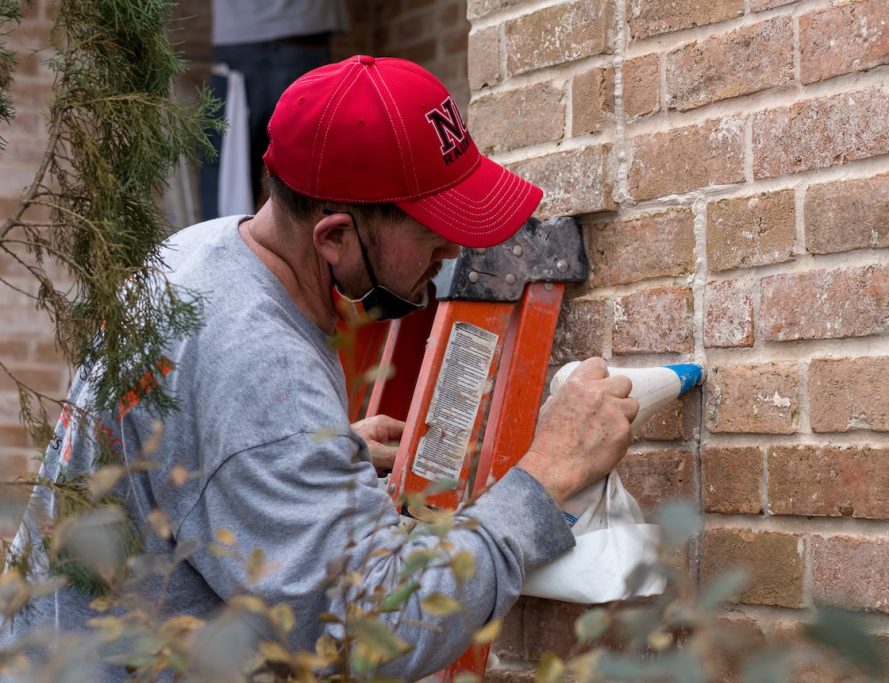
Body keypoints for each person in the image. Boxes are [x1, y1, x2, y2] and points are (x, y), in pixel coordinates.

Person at [1, 56, 638, 680]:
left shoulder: (198, 251)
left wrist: (304, 457)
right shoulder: (260, 364)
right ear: (333, 236)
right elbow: (379, 631)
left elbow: (189, 449)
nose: (453, 248)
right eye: (431, 228)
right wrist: (548, 474)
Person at [199, 0, 348, 220]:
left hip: (240, 35)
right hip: (302, 33)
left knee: (227, 178)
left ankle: (225, 249)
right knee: (312, 170)